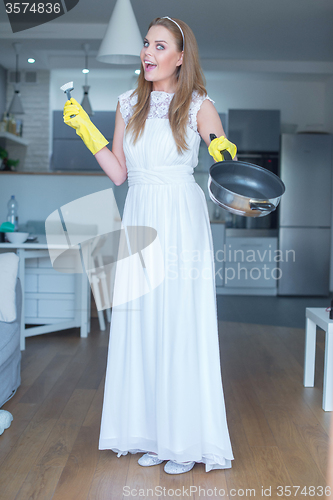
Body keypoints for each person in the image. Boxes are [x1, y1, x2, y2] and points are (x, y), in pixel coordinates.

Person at [63, 16, 236, 475]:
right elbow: (120, 173)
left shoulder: (199, 104)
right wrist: (87, 131)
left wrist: (223, 151)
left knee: (179, 322)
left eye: (160, 46)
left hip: (181, 217)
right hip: (140, 214)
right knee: (142, 324)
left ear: (181, 57)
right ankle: (151, 434)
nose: (148, 52)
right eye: (145, 44)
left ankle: (183, 441)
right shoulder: (127, 104)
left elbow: (220, 151)